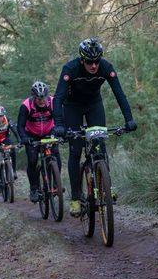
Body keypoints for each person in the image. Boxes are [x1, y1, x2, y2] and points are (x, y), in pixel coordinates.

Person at [51, 37, 138, 217]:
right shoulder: (70, 69)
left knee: (100, 144)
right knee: (76, 150)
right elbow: (58, 98)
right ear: (82, 60)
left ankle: (106, 185)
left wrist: (129, 119)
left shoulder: (106, 67)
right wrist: (59, 125)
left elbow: (119, 94)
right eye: (89, 62)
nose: (93, 66)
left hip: (93, 104)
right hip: (72, 106)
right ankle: (75, 198)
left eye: (96, 61)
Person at [17, 80, 60, 203]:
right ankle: (34, 188)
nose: (41, 101)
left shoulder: (52, 102)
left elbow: (60, 119)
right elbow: (20, 126)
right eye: (38, 98)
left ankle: (57, 182)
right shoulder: (26, 106)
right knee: (32, 159)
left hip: (49, 132)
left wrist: (59, 131)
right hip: (32, 135)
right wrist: (24, 138)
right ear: (33, 97)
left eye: (43, 98)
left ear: (47, 96)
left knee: (55, 152)